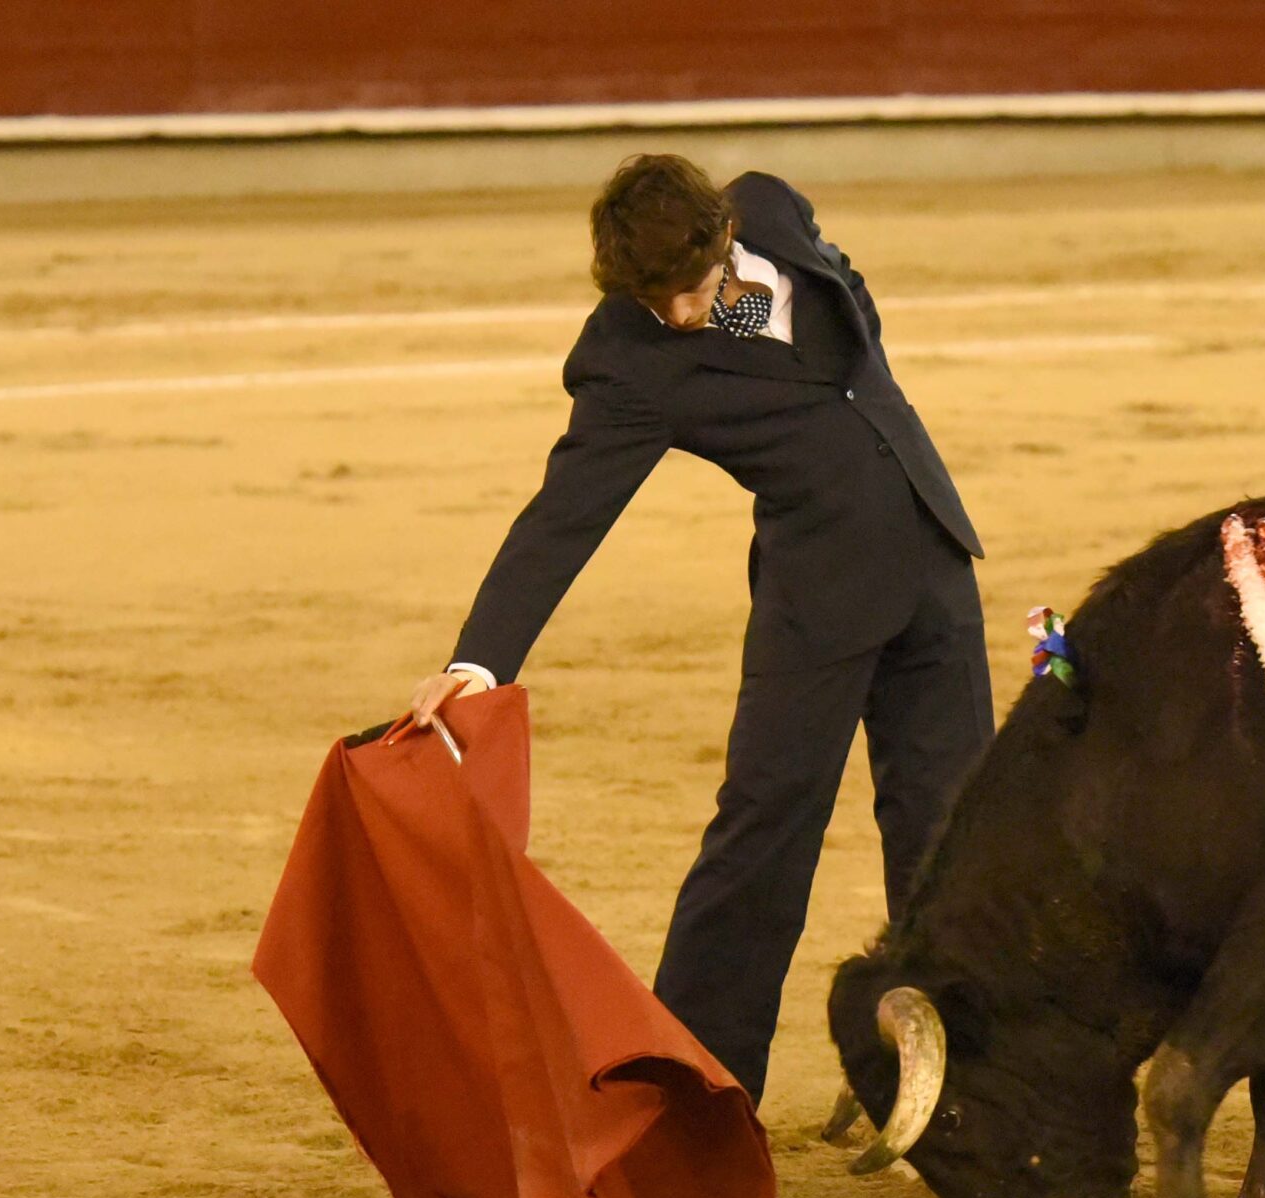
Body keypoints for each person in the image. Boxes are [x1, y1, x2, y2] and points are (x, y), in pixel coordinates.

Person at [403, 154, 992, 1105]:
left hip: (935, 565)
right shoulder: (629, 357)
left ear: (726, 239)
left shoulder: (771, 211)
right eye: (655, 300)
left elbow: (841, 317)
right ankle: (697, 1096)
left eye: (691, 291)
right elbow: (563, 515)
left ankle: (965, 1078)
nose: (678, 315)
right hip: (816, 603)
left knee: (955, 834)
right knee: (763, 831)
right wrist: (478, 662)